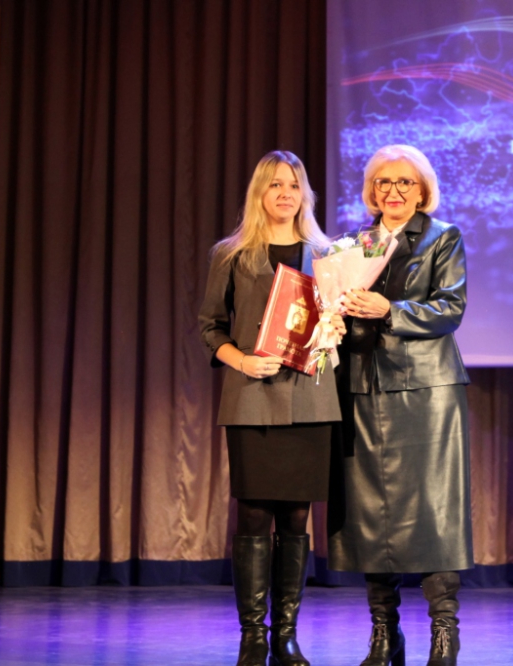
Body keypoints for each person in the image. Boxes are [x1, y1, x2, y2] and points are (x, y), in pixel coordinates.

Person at [329, 145, 473, 666]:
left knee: (436, 511)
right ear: (371, 190)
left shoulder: (443, 237)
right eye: (383, 182)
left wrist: (389, 309)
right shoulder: (352, 245)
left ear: (422, 190)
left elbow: (450, 307)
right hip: (363, 388)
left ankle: (444, 632)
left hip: (427, 393)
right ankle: (383, 633)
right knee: (371, 512)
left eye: (404, 182)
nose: (393, 191)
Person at [199, 150, 344, 666]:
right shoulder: (232, 254)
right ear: (259, 193)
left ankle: (285, 635)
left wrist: (339, 328)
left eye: (294, 185)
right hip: (251, 399)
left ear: (306, 194)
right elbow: (209, 326)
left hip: (311, 399)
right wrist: (241, 360)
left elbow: (339, 324)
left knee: (296, 519)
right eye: (275, 184)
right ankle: (252, 636)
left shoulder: (328, 254)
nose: (285, 193)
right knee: (255, 515)